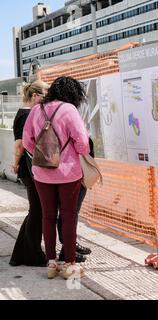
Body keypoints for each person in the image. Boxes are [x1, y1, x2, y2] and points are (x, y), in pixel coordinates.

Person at [23, 77, 90, 280]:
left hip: (42, 173)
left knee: (47, 216)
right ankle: (69, 263)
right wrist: (71, 154)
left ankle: (51, 262)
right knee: (68, 216)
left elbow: (27, 142)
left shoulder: (36, 110)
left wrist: (44, 155)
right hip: (69, 173)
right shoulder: (69, 109)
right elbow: (83, 142)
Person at [9, 80, 49, 267]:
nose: (47, 98)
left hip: (28, 168)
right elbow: (20, 144)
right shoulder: (26, 115)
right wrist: (15, 163)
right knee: (37, 211)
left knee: (36, 210)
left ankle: (21, 254)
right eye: (44, 94)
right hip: (29, 169)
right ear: (35, 96)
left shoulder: (24, 113)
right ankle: (31, 254)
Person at [57, 137, 95, 263]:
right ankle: (67, 250)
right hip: (73, 172)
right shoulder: (69, 121)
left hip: (62, 171)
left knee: (67, 213)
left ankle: (69, 245)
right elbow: (84, 145)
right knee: (70, 214)